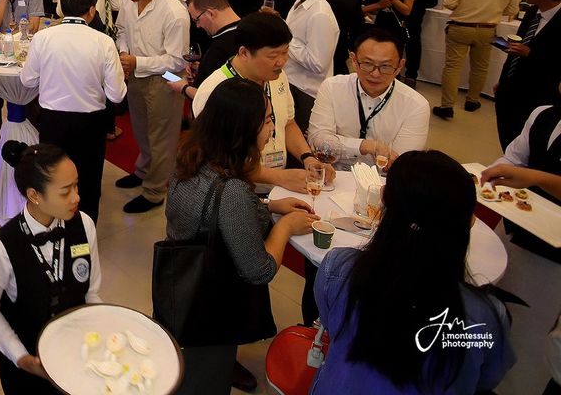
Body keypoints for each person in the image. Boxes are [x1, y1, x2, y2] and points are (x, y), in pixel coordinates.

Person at [312, 151, 514, 395]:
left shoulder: (338, 268)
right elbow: (487, 377)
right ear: (468, 222)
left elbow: (332, 325)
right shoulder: (484, 316)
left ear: (383, 200)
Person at [166, 78, 317, 395]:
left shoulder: (192, 158)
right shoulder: (232, 190)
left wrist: (268, 205)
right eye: (267, 120)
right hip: (211, 310)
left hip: (181, 291)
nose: (272, 129)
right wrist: (285, 226)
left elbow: (212, 211)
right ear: (243, 130)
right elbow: (259, 270)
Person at [0, 142, 101, 394]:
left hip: (75, 352)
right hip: (27, 368)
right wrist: (21, 357)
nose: (76, 197)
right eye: (65, 191)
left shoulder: (85, 225)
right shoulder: (0, 247)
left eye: (76, 185)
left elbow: (91, 291)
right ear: (34, 195)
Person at [193, 12, 333, 193]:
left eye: (286, 52)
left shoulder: (277, 76)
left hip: (278, 188)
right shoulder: (214, 90)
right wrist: (279, 177)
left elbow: (287, 123)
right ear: (244, 53)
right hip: (234, 193)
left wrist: (308, 158)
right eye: (273, 56)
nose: (281, 62)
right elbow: (217, 161)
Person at [21, 0, 126, 223]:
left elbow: (27, 80)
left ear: (61, 8)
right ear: (91, 10)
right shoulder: (103, 41)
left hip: (52, 121)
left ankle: (53, 227)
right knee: (88, 180)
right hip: (90, 124)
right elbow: (117, 95)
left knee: (52, 178)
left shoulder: (43, 38)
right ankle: (84, 233)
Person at [482, 95, 561, 394]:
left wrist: (535, 178)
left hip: (553, 256)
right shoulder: (543, 114)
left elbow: (527, 174)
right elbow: (513, 158)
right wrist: (494, 172)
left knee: (532, 335)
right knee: (493, 308)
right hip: (513, 229)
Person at [114, 0, 188, 214]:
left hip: (167, 79)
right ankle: (143, 170)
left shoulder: (174, 12)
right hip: (136, 73)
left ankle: (155, 190)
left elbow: (176, 60)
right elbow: (122, 30)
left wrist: (137, 62)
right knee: (141, 128)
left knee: (162, 137)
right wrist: (124, 53)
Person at [308, 27, 429, 161]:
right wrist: (364, 146)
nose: (375, 74)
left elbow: (402, 161)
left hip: (382, 174)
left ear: (400, 66)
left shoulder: (416, 105)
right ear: (354, 60)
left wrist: (341, 143)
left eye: (385, 66)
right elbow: (317, 139)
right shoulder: (332, 87)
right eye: (367, 64)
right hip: (332, 170)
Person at [434, 0, 522, 119]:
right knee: (480, 67)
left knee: (452, 67)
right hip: (487, 29)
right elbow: (512, 10)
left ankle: (447, 105)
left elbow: (449, 2)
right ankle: (472, 100)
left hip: (461, 27)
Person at [495, 0, 561, 148]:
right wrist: (503, 81)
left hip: (538, 94)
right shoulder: (532, 12)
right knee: (507, 137)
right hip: (511, 88)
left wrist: (530, 54)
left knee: (526, 141)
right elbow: (517, 47)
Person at [275, 0, 340, 129]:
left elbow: (318, 64)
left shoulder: (320, 14)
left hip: (305, 93)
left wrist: (285, 37)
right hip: (290, 84)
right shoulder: (299, 3)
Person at [185, 0, 242, 89]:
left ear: (210, 13)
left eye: (197, 20)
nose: (198, 26)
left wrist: (184, 88)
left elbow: (204, 94)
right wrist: (203, 68)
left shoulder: (219, 49)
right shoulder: (250, 30)